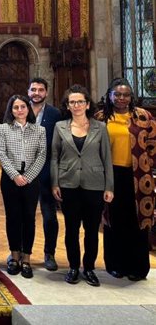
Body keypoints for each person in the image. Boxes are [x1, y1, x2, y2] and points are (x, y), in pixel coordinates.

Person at [51, 84, 113, 287]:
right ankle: (73, 267)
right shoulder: (60, 127)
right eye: (72, 102)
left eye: (80, 101)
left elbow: (107, 158)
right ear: (67, 106)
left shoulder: (100, 127)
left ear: (87, 104)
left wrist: (109, 187)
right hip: (68, 183)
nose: (76, 105)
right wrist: (55, 183)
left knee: (92, 230)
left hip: (94, 184)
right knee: (71, 229)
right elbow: (54, 158)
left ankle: (89, 268)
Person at [95, 78, 156, 281]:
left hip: (138, 176)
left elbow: (153, 144)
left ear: (131, 96)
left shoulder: (143, 116)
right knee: (113, 220)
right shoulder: (101, 118)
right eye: (117, 94)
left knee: (137, 220)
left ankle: (138, 267)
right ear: (110, 95)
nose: (121, 98)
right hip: (111, 175)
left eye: (126, 94)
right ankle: (116, 265)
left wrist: (146, 164)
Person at [0, 94, 46, 279]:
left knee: (29, 218)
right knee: (13, 217)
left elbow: (42, 155)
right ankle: (14, 256)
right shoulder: (4, 129)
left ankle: (26, 258)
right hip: (10, 179)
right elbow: (1, 154)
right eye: (15, 107)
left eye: (23, 107)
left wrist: (28, 177)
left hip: (31, 181)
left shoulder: (39, 130)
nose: (19, 110)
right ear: (11, 110)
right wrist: (15, 175)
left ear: (28, 109)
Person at [28, 77, 62, 271]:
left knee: (49, 216)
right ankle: (24, 252)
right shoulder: (21, 109)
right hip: (25, 170)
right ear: (28, 91)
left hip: (47, 170)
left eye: (41, 90)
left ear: (46, 92)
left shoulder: (55, 114)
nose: (37, 93)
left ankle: (50, 253)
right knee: (26, 215)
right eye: (33, 89)